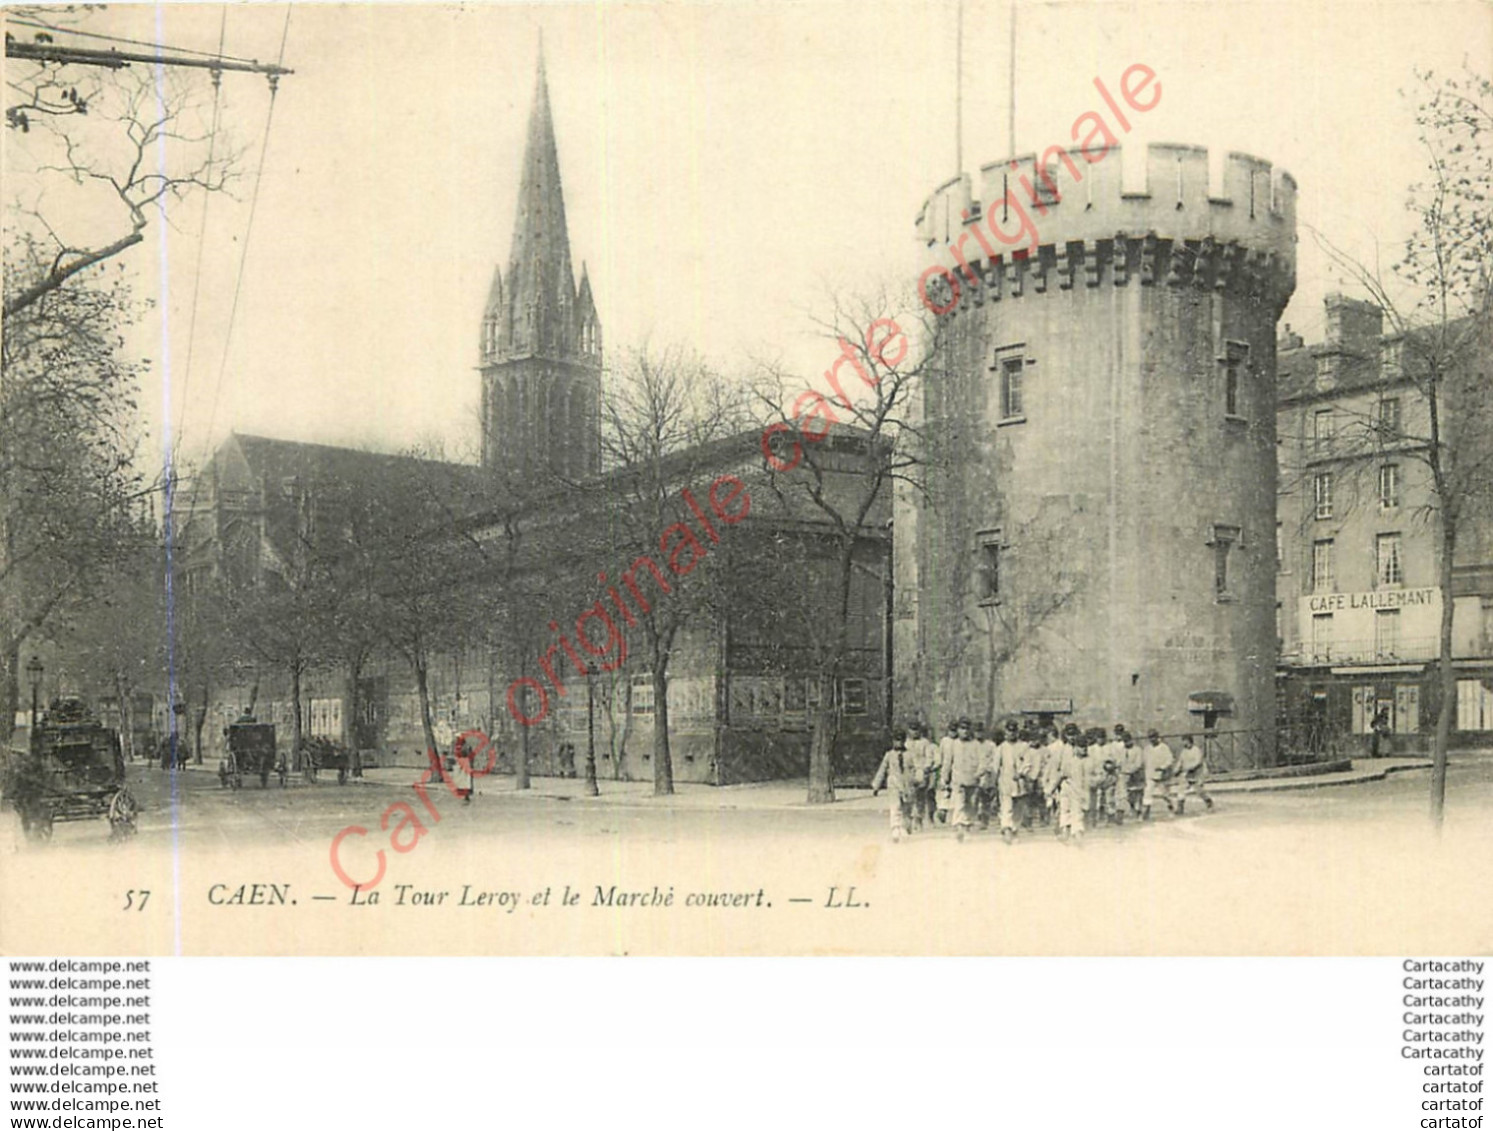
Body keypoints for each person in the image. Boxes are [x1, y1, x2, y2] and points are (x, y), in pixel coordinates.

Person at [942, 718, 984, 841]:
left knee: (971, 804)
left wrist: (979, 774)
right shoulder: (953, 744)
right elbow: (947, 762)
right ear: (958, 730)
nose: (964, 731)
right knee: (959, 803)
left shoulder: (976, 745)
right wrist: (945, 778)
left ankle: (967, 826)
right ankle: (959, 827)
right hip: (958, 780)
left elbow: (982, 761)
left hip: (972, 779)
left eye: (967, 728)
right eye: (962, 728)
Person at [871, 728, 916, 841]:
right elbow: (882, 769)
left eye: (900, 740)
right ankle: (895, 828)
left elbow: (916, 769)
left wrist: (918, 780)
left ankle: (905, 827)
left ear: (904, 741)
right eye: (896, 740)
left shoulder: (910, 755)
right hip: (894, 784)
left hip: (907, 784)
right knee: (895, 806)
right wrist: (876, 785)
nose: (898, 743)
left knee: (907, 807)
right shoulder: (889, 755)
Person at [995, 718, 1024, 843]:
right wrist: (994, 781)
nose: (1011, 734)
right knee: (1006, 807)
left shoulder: (1023, 746)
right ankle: (1006, 830)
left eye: (1014, 731)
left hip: (1020, 783)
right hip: (1005, 782)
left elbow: (1028, 762)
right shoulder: (1001, 748)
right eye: (1009, 731)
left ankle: (1015, 830)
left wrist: (1022, 772)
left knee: (1018, 809)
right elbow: (996, 766)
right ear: (1005, 733)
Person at [1172, 734, 1215, 815]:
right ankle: (1180, 808)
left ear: (1189, 741)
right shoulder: (1183, 752)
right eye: (1183, 741)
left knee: (1199, 791)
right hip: (1187, 775)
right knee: (1181, 790)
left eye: (1185, 741)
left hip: (1197, 774)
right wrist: (1176, 770)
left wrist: (1190, 767)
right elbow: (1180, 762)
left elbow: (1198, 762)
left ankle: (1209, 802)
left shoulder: (1196, 750)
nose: (1184, 743)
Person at [1141, 729, 1176, 820]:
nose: (1152, 739)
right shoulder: (1147, 749)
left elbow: (1170, 759)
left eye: (1153, 737)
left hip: (1162, 775)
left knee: (1165, 794)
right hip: (1150, 774)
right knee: (1147, 793)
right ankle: (1146, 813)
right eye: (1150, 738)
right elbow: (1144, 761)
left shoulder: (1164, 747)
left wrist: (1163, 767)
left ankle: (1171, 808)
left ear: (1157, 737)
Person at [973, 720, 998, 831]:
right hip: (973, 774)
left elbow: (995, 760)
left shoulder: (991, 745)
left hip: (987, 775)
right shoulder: (971, 744)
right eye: (977, 732)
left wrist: (990, 770)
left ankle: (984, 821)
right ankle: (971, 819)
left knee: (985, 799)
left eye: (981, 732)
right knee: (973, 798)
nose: (979, 734)